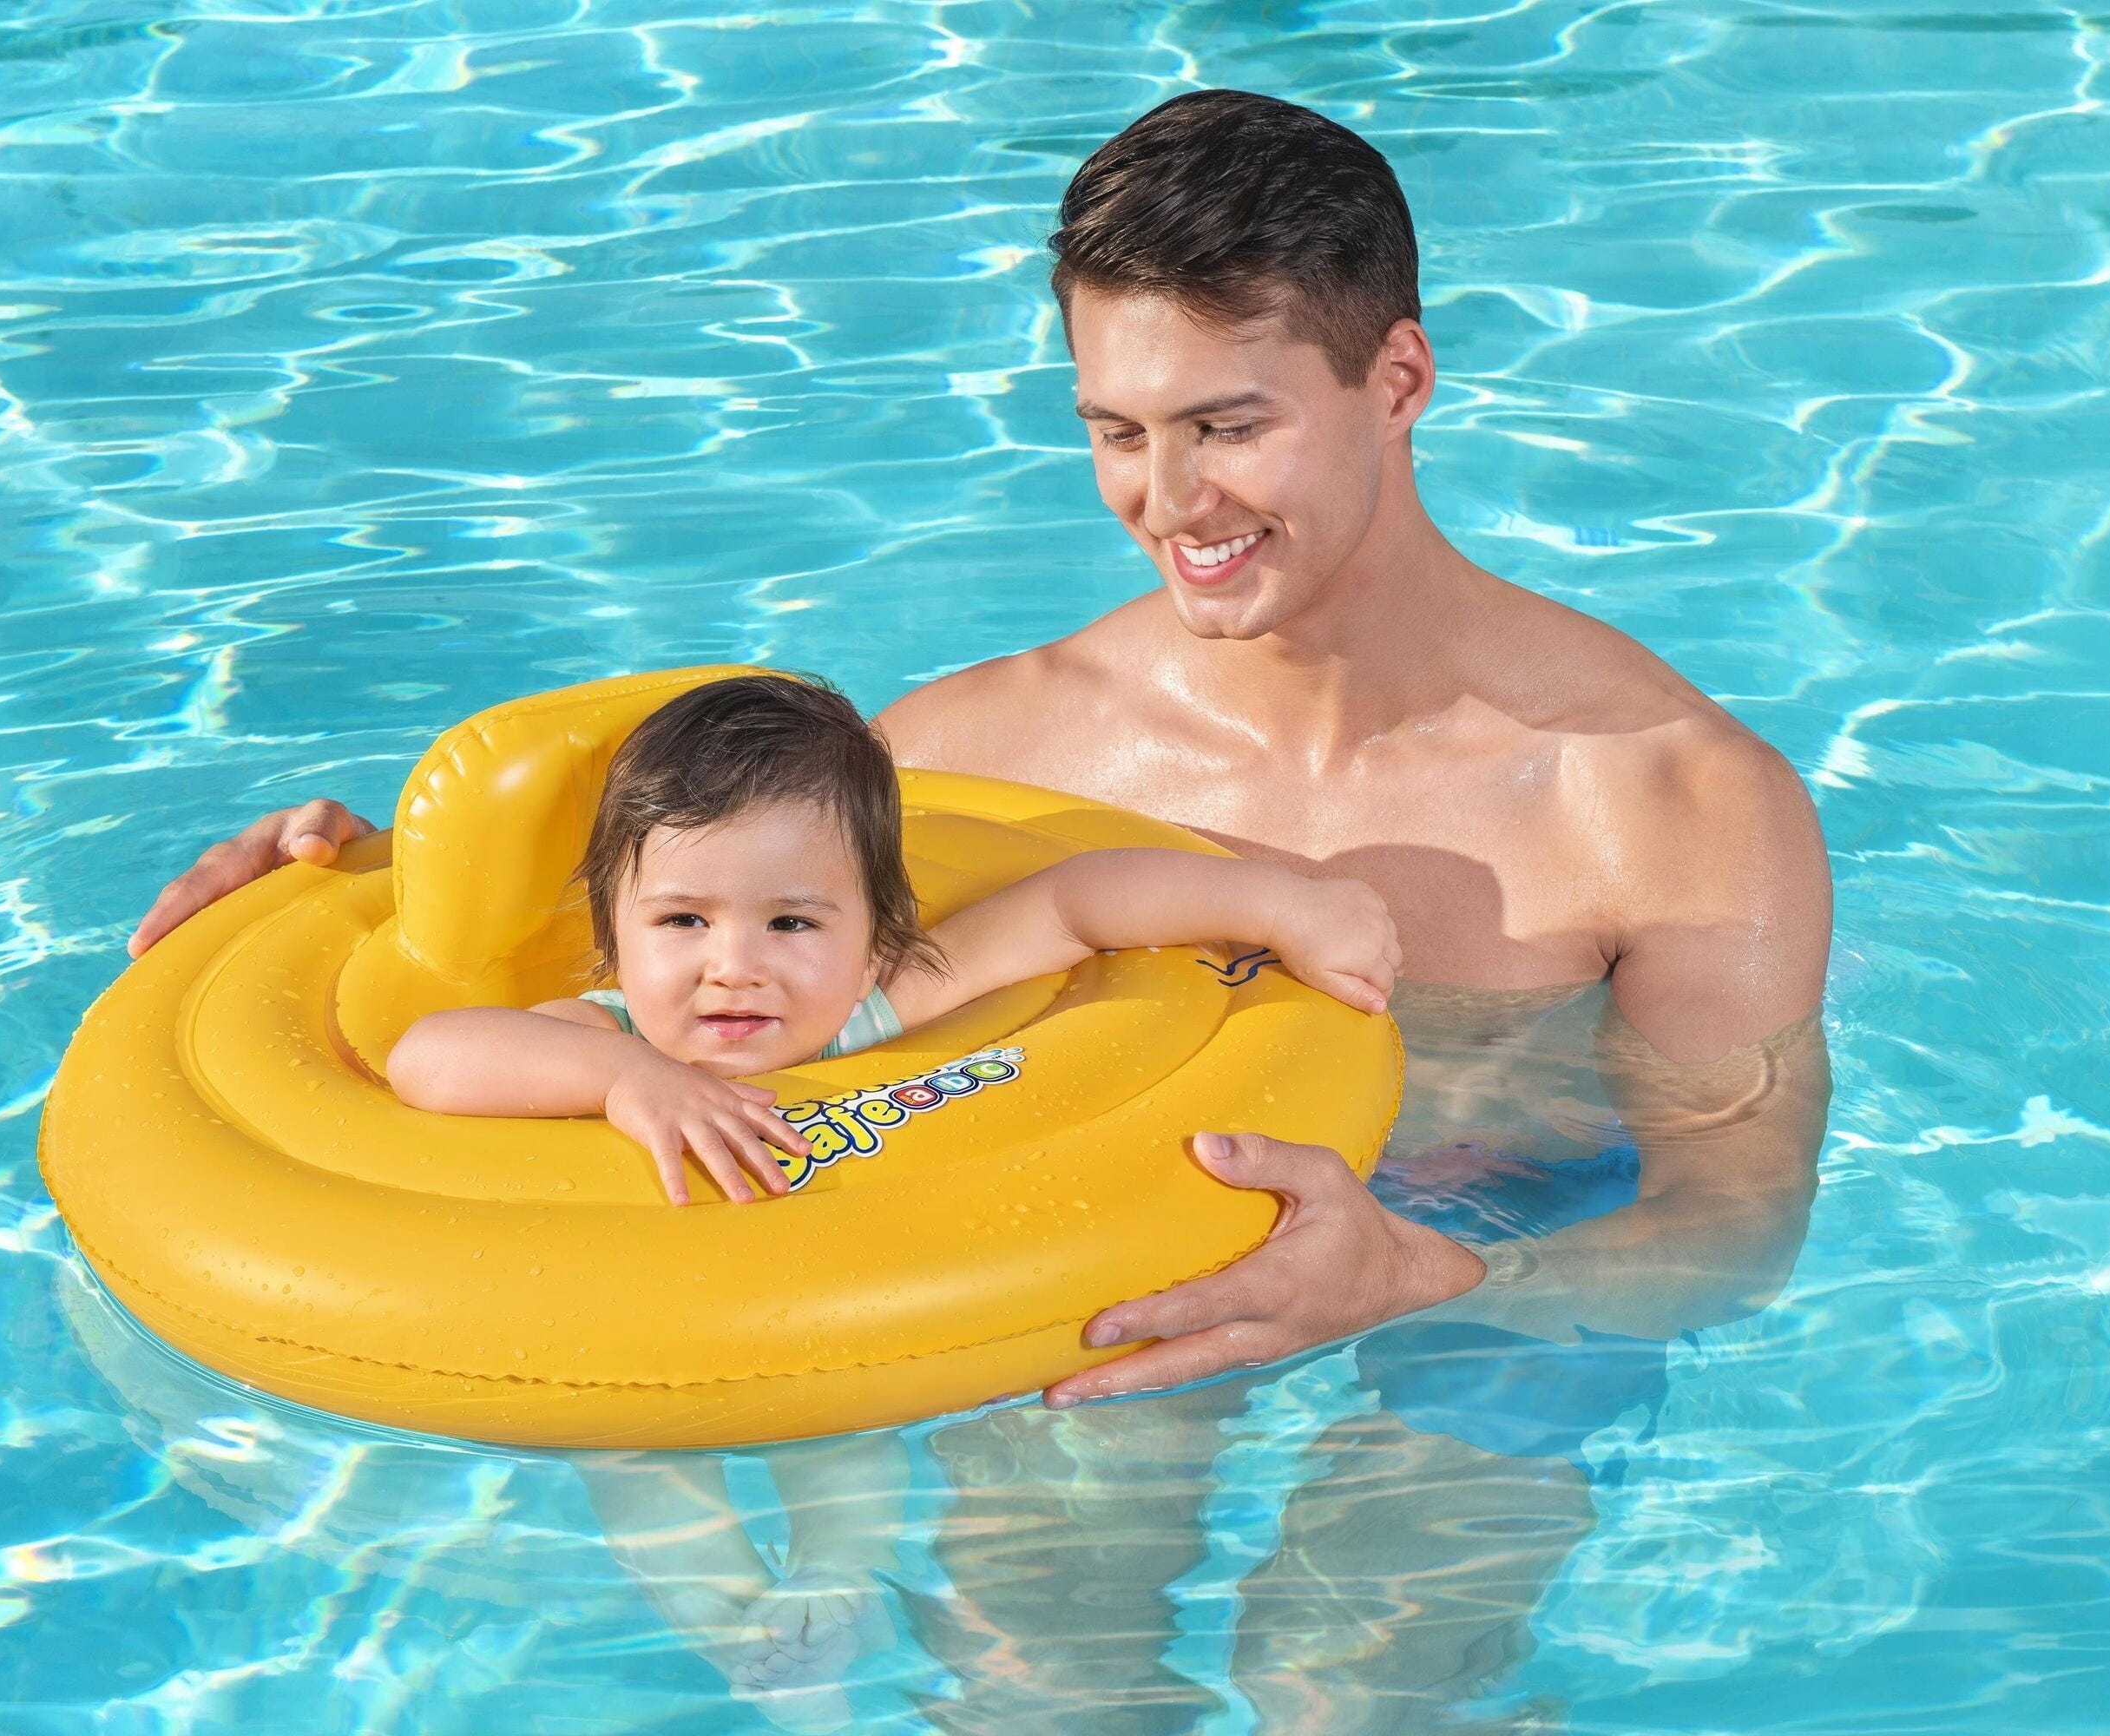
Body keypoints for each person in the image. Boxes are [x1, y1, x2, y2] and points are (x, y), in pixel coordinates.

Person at [128, 88, 1827, 1417]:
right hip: (1076, 1285)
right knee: (1035, 1658)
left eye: (1230, 426)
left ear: (1398, 378)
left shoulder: (1670, 807)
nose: (1171, 503)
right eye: (1118, 431)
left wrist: (1419, 1280)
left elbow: (1734, 1233)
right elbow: (686, 954)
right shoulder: (978, 753)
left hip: (1493, 1280)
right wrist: (344, 889)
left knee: (1366, 1671)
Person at [385, 672, 1398, 1205]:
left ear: (876, 934)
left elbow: (1075, 902)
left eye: (791, 921)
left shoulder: (882, 1000)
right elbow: (427, 1056)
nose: (733, 966)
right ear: (614, 935)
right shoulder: (608, 1033)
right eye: (683, 920)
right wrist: (624, 1079)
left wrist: (1281, 904)